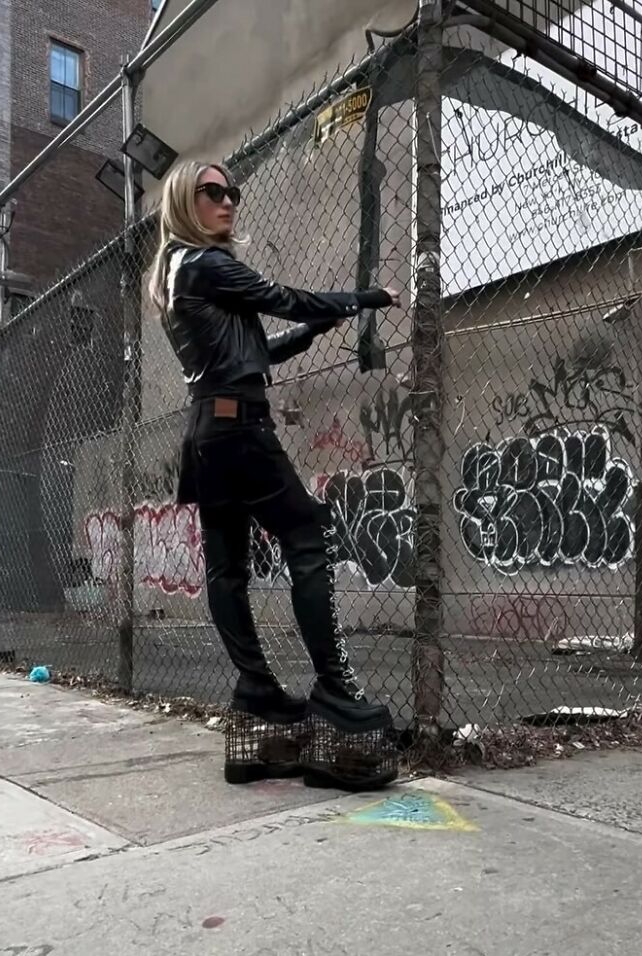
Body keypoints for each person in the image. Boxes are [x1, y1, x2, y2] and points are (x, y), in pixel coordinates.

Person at [149, 160, 401, 777]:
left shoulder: (178, 272)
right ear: (186, 200)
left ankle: (258, 693)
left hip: (210, 434)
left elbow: (249, 355)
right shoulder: (209, 264)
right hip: (240, 432)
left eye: (232, 192)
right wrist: (365, 297)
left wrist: (313, 330)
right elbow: (284, 299)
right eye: (213, 192)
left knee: (228, 567)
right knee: (307, 538)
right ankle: (336, 690)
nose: (228, 201)